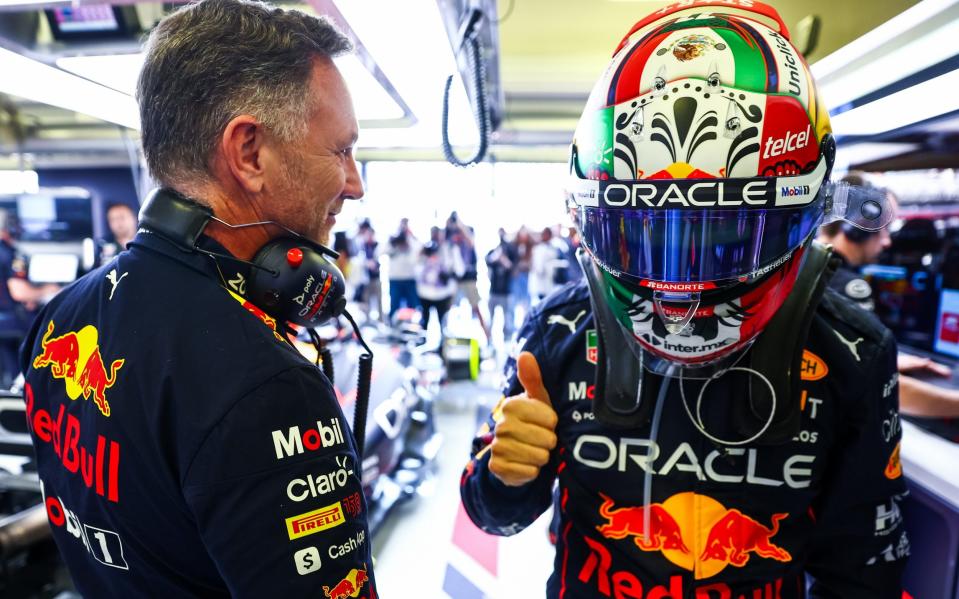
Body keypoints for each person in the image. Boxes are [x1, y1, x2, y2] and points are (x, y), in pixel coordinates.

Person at [461, 4, 908, 598]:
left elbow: (862, 575)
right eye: (643, 236)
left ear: (809, 213)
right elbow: (494, 515)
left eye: (724, 238)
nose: (680, 285)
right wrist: (506, 475)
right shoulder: (559, 328)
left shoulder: (851, 349)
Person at [20, 1, 375, 596]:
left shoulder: (61, 318)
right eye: (340, 151)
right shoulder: (266, 386)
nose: (355, 183)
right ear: (249, 153)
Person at [819, 178, 959, 418]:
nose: (887, 241)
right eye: (883, 228)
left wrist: (886, 358)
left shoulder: (813, 269)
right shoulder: (845, 286)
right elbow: (877, 385)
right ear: (856, 229)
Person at [447, 213, 490, 341]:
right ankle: (446, 337)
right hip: (455, 280)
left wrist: (460, 224)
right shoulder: (452, 242)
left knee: (476, 308)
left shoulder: (468, 236)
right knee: (448, 308)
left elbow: (470, 240)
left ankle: (488, 338)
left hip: (469, 280)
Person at [416, 228, 456, 344]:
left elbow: (454, 270)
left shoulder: (448, 249)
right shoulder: (425, 250)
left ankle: (443, 345)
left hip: (442, 295)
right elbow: (418, 268)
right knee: (424, 321)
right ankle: (422, 341)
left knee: (443, 322)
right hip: (425, 294)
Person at [486, 228, 516, 342]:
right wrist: (497, 256)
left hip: (506, 292)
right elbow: (488, 261)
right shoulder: (493, 251)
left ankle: (507, 339)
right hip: (493, 291)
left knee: (507, 319)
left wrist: (504, 259)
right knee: (490, 318)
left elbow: (513, 268)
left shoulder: (511, 251)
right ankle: (489, 339)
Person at [387, 217, 420, 318]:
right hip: (395, 279)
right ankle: (393, 329)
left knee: (413, 307)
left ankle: (415, 329)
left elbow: (418, 254)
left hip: (410, 278)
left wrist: (410, 238)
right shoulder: (393, 239)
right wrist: (393, 243)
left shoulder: (412, 239)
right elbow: (379, 252)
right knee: (394, 307)